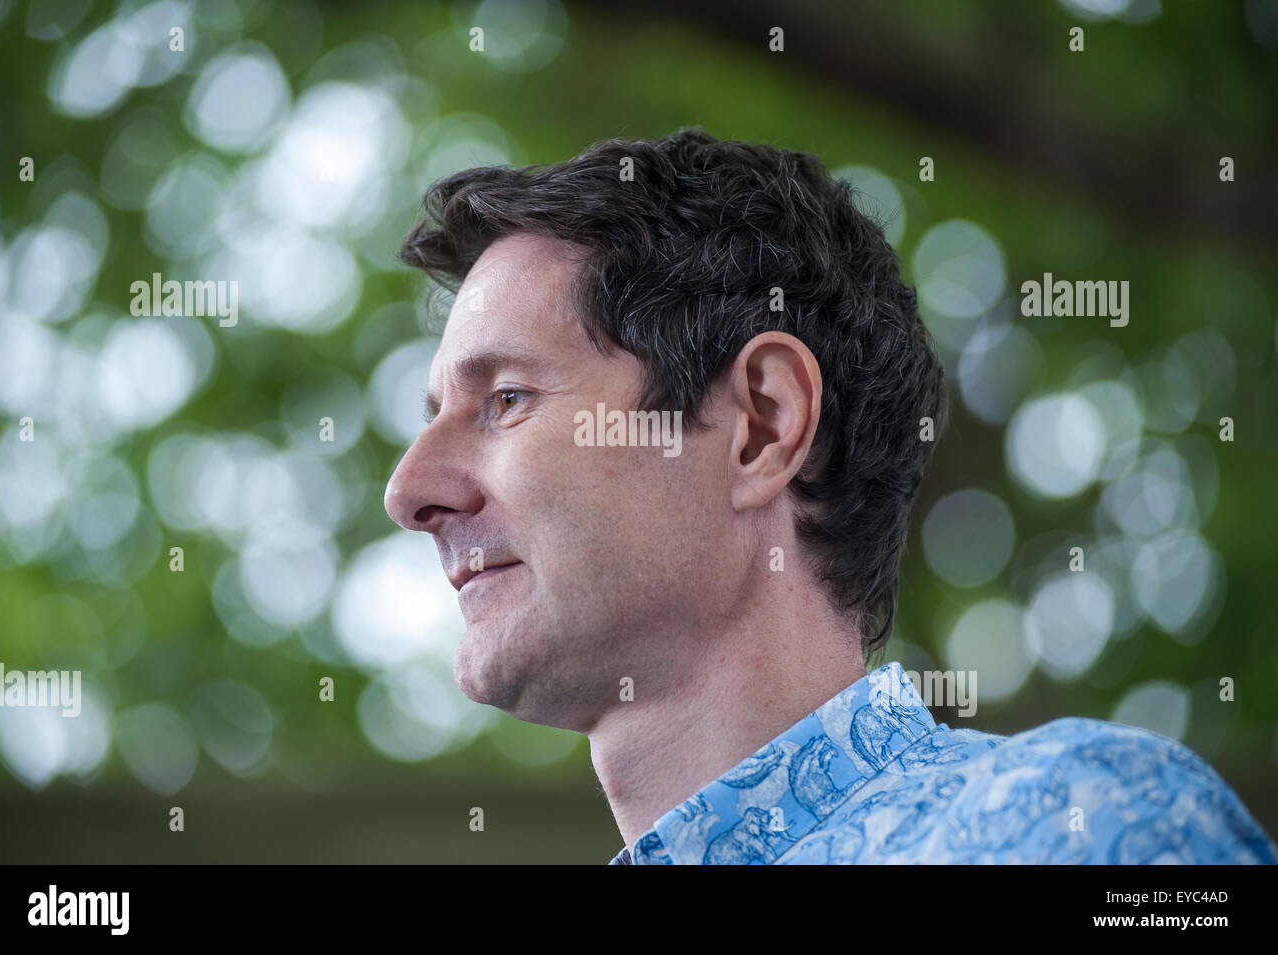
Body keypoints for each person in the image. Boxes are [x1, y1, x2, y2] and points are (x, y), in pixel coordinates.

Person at [383, 128, 1277, 864]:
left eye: (507, 399)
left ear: (762, 425)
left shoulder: (1075, 827)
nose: (407, 490)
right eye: (433, 417)